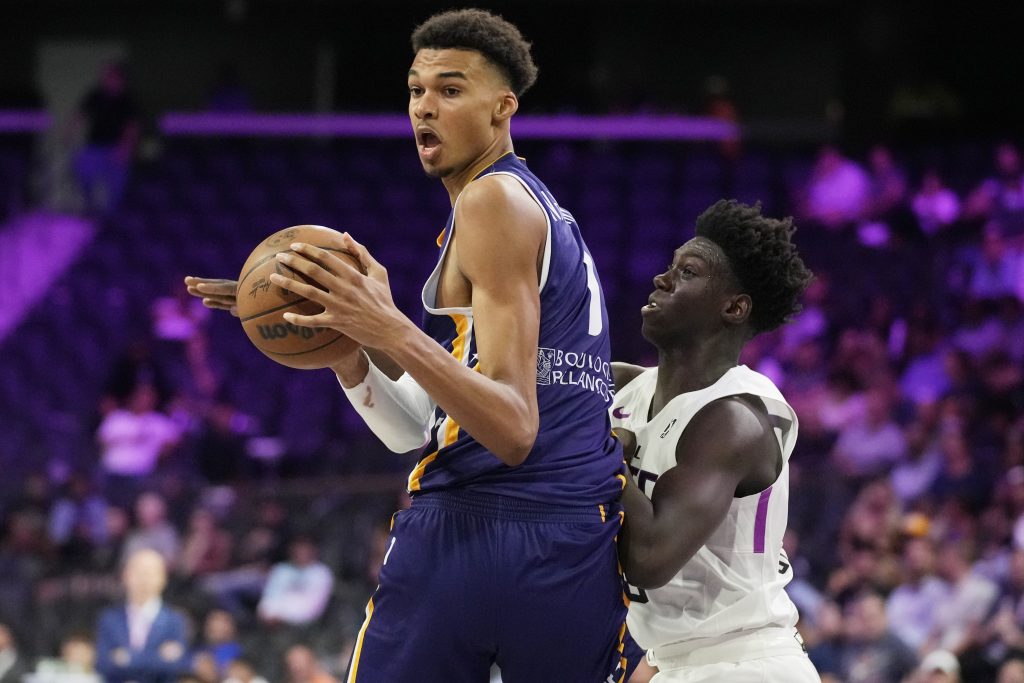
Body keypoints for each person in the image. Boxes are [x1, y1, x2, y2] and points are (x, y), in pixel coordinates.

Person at [185, 8, 631, 682]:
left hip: (483, 524)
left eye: (451, 90)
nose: (425, 107)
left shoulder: (491, 203)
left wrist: (386, 327)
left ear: (503, 107)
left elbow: (512, 428)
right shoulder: (527, 209)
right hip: (572, 535)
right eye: (416, 90)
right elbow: (419, 426)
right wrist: (346, 345)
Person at [609, 199, 819, 682]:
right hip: (679, 658)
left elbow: (649, 558)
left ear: (733, 307)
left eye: (687, 272)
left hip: (746, 664)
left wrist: (599, 451)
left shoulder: (734, 418)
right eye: (669, 267)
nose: (662, 279)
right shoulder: (625, 389)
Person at [95, 548, 189, 683]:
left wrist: (128, 658)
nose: (144, 578)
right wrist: (158, 656)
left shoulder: (175, 621)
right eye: (138, 572)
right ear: (125, 576)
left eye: (150, 573)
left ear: (163, 579)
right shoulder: (109, 619)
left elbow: (176, 666)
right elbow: (103, 665)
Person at [72, 61, 139, 215]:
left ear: (119, 79)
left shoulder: (128, 100)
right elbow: (81, 114)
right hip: (95, 146)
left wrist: (125, 148)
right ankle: (90, 207)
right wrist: (71, 130)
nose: (106, 79)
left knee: (116, 188)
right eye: (105, 76)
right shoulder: (95, 96)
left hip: (116, 147)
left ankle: (112, 216)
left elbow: (132, 127)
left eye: (110, 76)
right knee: (81, 169)